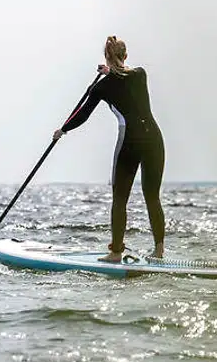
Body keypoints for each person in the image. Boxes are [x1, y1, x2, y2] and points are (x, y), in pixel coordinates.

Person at [54, 35, 166, 261]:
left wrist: (63, 129)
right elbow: (126, 75)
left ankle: (116, 252)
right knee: (152, 196)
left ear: (107, 57)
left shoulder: (102, 87)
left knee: (120, 199)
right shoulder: (140, 74)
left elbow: (82, 114)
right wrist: (110, 71)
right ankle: (159, 250)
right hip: (154, 139)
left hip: (130, 142)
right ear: (125, 55)